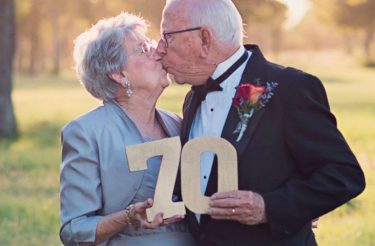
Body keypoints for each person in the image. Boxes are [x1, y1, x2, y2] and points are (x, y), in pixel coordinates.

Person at [156, 0, 366, 245]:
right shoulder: (193, 97)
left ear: (205, 39)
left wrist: (269, 207)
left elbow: (343, 175)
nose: (160, 48)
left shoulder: (290, 88)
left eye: (167, 36)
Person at [60, 12, 196, 246]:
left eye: (152, 44)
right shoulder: (85, 132)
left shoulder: (179, 123)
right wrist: (128, 217)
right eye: (143, 49)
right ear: (119, 74)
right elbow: (75, 231)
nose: (158, 51)